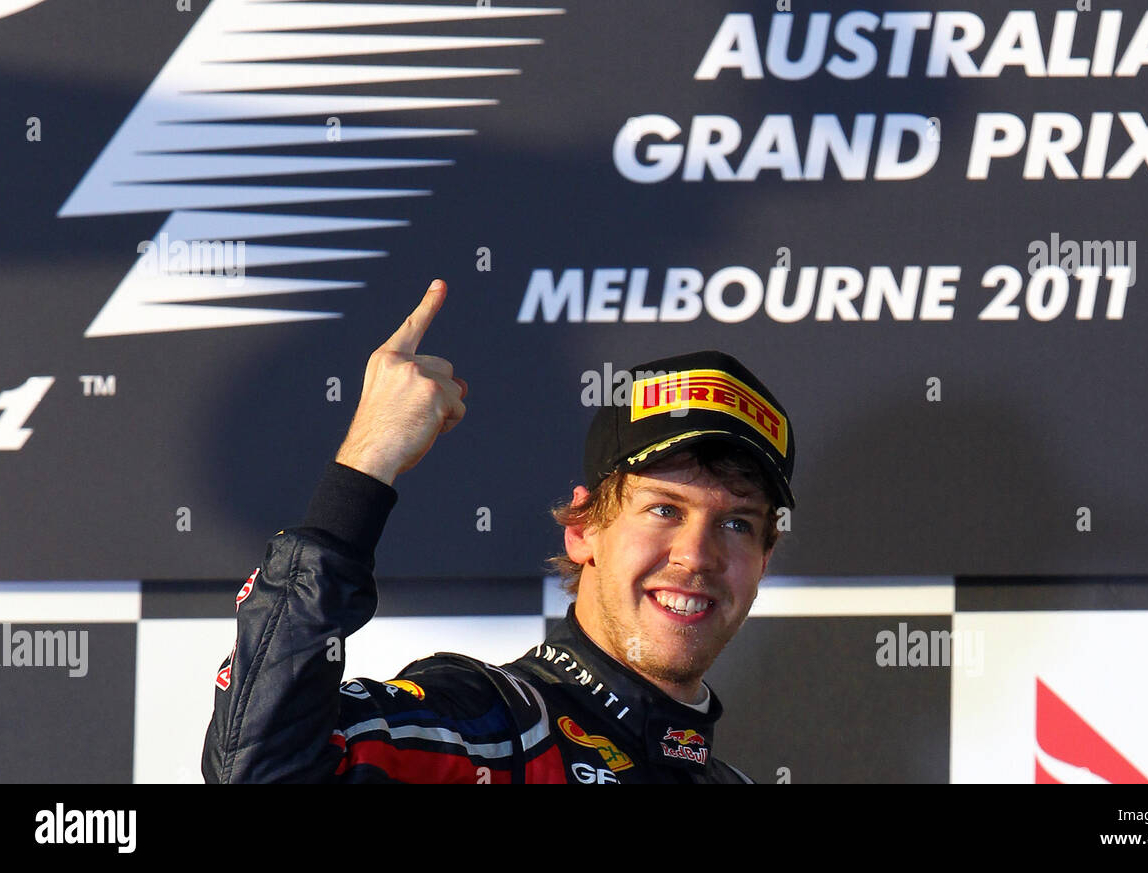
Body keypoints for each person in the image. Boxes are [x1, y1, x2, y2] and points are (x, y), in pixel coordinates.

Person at [202, 278, 797, 783]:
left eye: (737, 523)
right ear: (584, 528)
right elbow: (259, 765)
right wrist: (366, 464)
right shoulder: (495, 727)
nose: (696, 555)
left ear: (764, 560)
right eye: (665, 509)